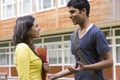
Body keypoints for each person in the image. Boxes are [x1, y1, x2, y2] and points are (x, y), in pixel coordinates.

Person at [47, 0, 113, 80]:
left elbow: (109, 62)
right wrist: (55, 75)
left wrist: (86, 67)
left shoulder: (96, 33)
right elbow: (78, 65)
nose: (70, 16)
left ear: (84, 11)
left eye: (72, 12)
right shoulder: (73, 36)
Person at [13, 15, 49, 80]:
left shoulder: (30, 48)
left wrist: (44, 70)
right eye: (36, 26)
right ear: (27, 31)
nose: (39, 28)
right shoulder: (22, 48)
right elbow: (24, 78)